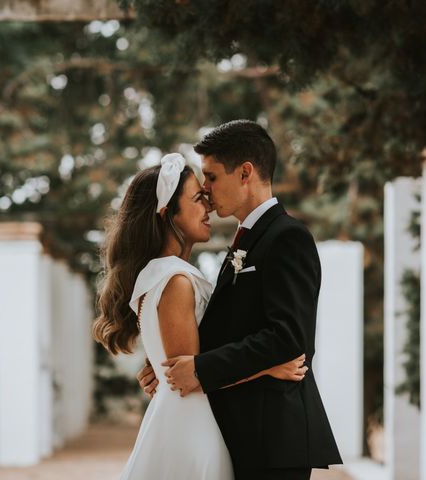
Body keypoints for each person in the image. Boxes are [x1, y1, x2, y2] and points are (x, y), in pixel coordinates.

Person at [138, 120, 343, 479]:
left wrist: (200, 370)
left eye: (212, 177)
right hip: (243, 435)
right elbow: (232, 328)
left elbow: (290, 339)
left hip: (273, 439)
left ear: (245, 173)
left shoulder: (287, 237)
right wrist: (166, 365)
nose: (206, 188)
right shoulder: (245, 241)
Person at [93, 153, 307, 480]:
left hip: (181, 419)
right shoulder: (176, 281)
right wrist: (268, 367)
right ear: (167, 215)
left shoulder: (161, 274)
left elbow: (185, 366)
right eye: (197, 198)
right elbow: (190, 376)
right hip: (190, 426)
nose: (207, 206)